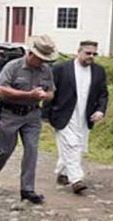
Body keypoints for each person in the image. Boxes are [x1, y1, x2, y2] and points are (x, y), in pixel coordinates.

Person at [0, 35, 57, 204]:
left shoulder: (46, 70)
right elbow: (0, 89)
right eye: (40, 58)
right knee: (6, 149)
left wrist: (45, 95)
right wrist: (28, 94)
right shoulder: (13, 66)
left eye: (45, 59)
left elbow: (52, 93)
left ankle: (27, 189)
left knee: (32, 150)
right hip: (10, 114)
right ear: (30, 53)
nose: (42, 62)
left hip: (32, 115)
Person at [44, 40, 108, 194]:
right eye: (88, 53)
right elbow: (49, 92)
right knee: (72, 145)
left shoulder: (99, 71)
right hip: (63, 114)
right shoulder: (61, 69)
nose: (91, 56)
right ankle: (76, 180)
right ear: (78, 52)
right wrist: (45, 114)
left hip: (85, 115)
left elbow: (103, 93)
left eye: (94, 54)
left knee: (77, 145)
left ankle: (63, 173)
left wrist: (100, 110)